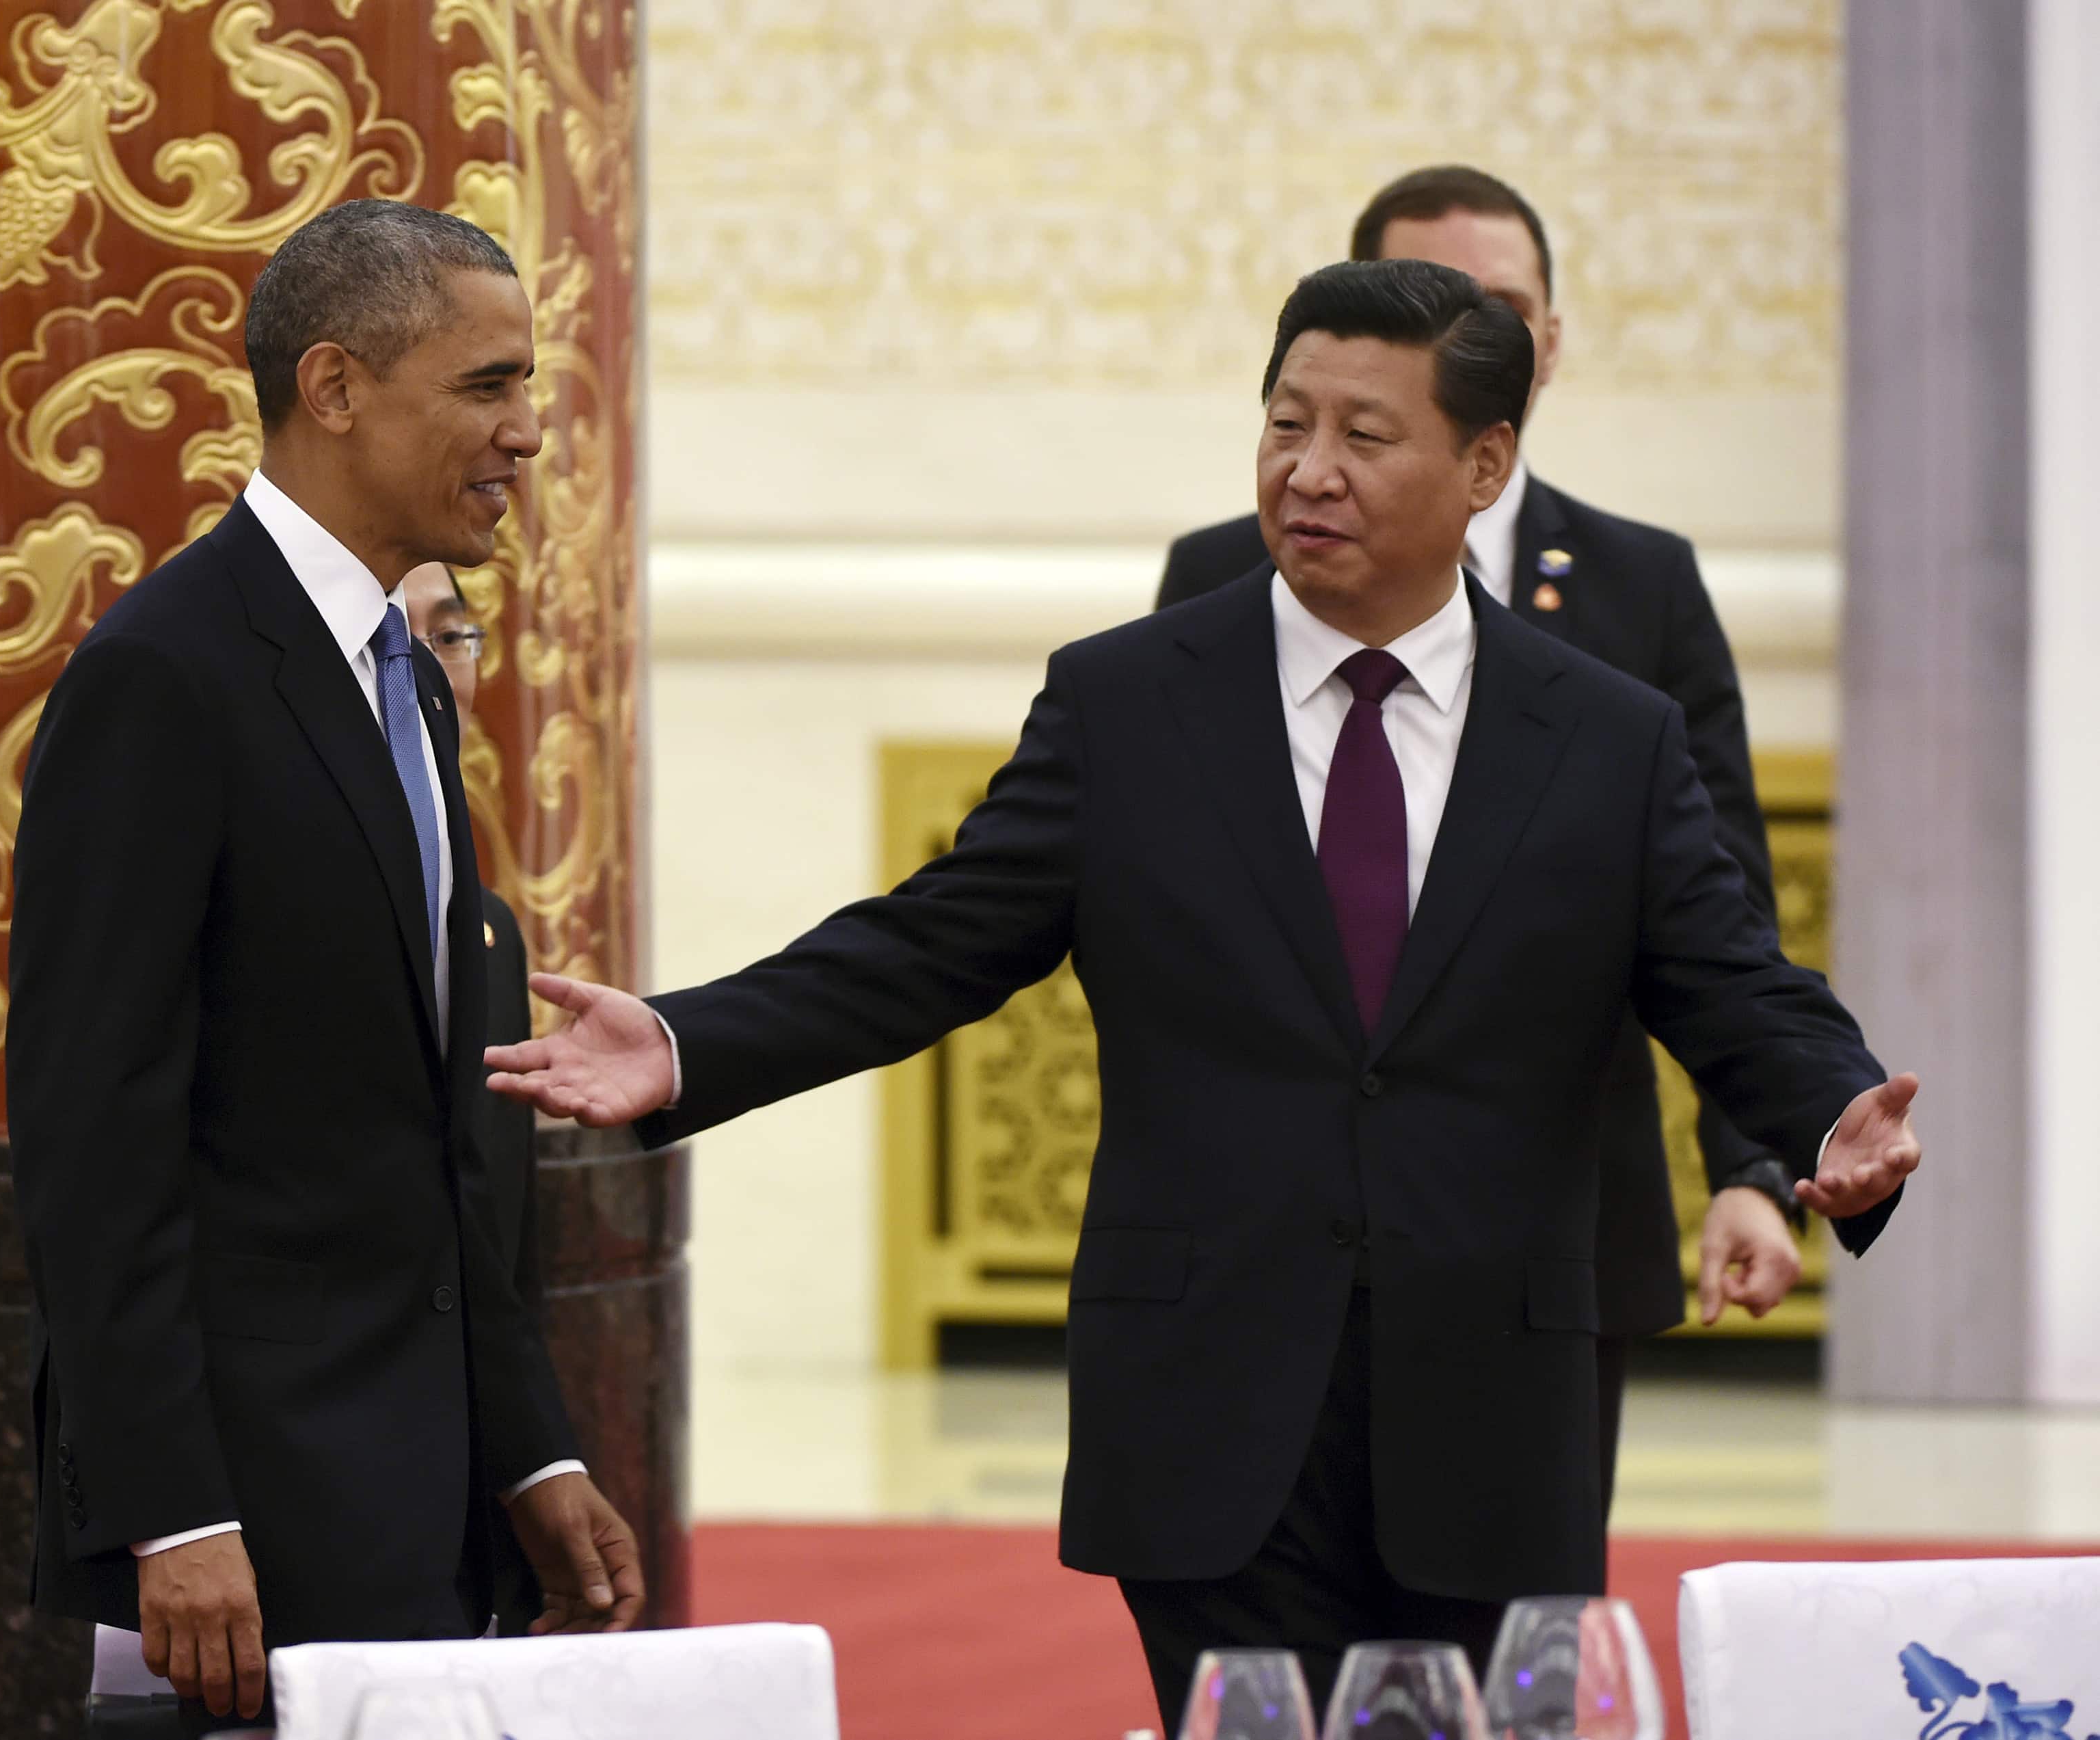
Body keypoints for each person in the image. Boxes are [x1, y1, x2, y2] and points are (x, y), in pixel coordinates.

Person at [484, 259, 1920, 1723]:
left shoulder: (1605, 738)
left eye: (1365, 436)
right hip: (1211, 1392)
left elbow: (1731, 975)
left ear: (1485, 464)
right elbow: (933, 941)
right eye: (1284, 424)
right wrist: (683, 1038)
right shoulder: (1130, 702)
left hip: (1495, 1402)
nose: (1310, 471)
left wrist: (1823, 1122)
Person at [8, 200, 641, 1735]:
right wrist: (170, 1512)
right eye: (487, 387)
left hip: (421, 1513)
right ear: (338, 388)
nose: (527, 433)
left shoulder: (404, 681)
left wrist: (532, 1454)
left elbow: (437, 1145)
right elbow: (95, 1140)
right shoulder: (166, 674)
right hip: (243, 1533)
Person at [1161, 165, 1809, 1508]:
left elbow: (1718, 911)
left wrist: (1751, 1168)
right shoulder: (1223, 575)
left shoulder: (1639, 584)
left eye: (1501, 308)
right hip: (1273, 1233)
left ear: (1547, 343)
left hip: (1554, 1232)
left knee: (1516, 1654)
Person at [399, 563, 554, 1332]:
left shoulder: (490, 931)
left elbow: (502, 1251)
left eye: (450, 636)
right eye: (397, 636)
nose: (432, 670)